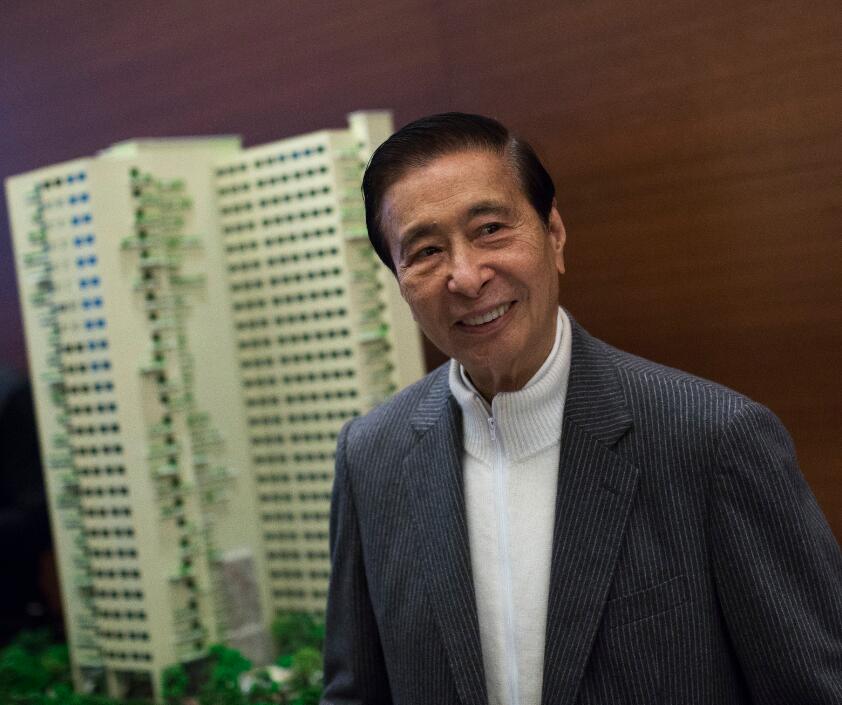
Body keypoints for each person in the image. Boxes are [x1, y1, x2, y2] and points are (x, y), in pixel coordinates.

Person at [321, 113, 842, 705]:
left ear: (554, 233)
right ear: (399, 280)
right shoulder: (371, 457)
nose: (465, 276)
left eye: (490, 229)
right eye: (425, 251)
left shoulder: (712, 439)